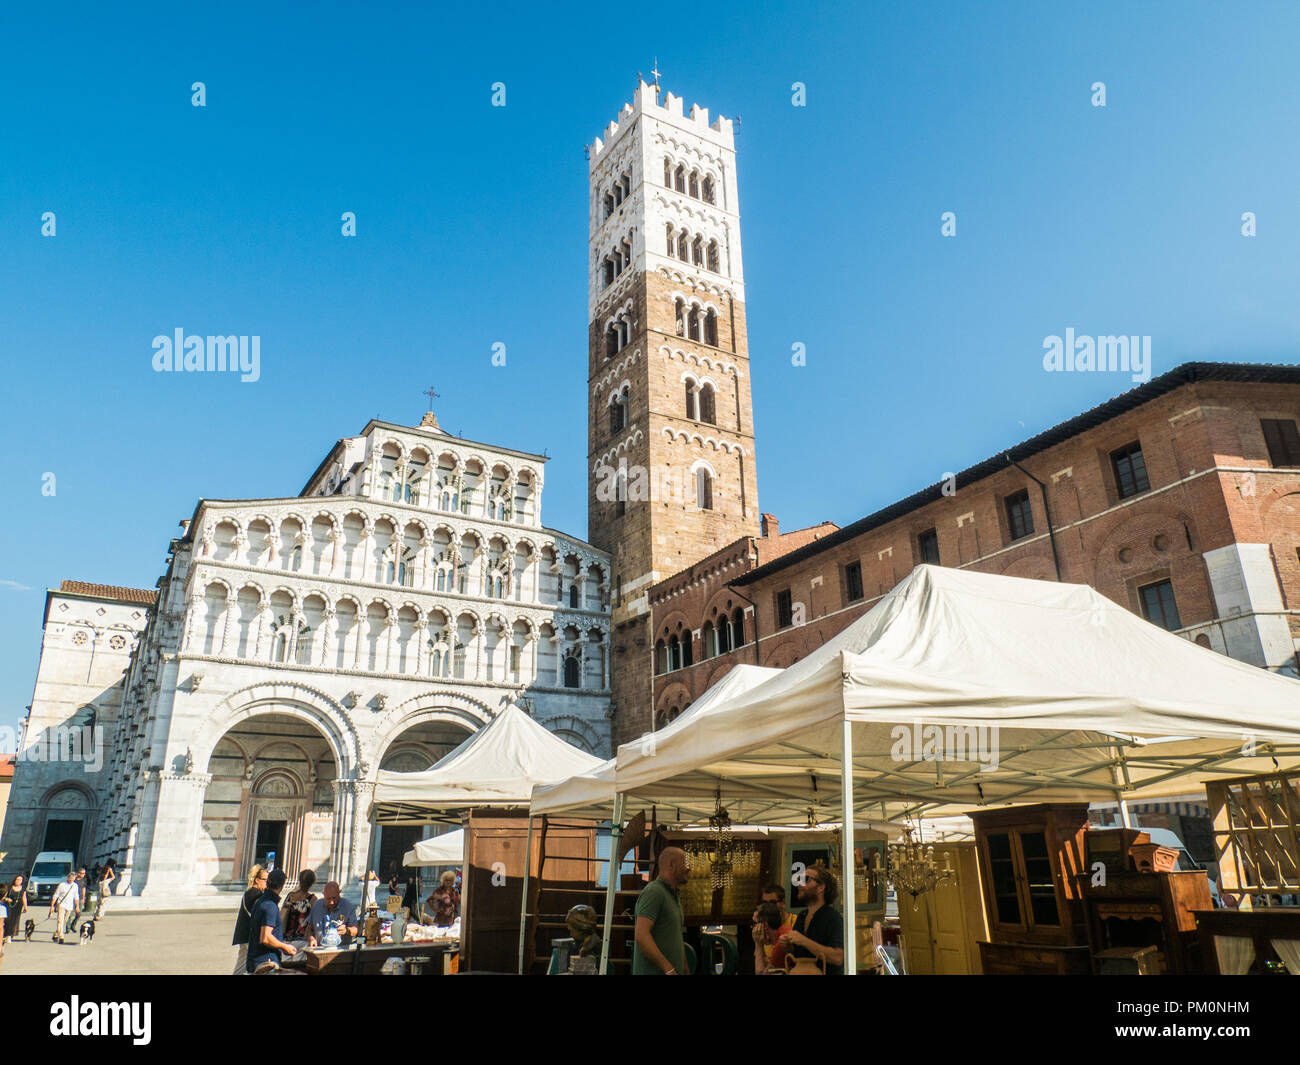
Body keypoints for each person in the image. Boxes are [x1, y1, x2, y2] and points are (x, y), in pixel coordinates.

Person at [632, 846, 690, 975]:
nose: (689, 868)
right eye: (685, 863)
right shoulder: (654, 892)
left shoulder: (673, 895)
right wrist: (668, 969)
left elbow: (676, 937)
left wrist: (685, 969)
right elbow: (641, 935)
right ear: (671, 865)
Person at [780, 866, 844, 975]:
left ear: (821, 888)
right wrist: (787, 945)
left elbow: (838, 958)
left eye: (806, 880)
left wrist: (803, 941)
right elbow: (797, 954)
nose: (800, 884)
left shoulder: (833, 918)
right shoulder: (802, 916)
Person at [247, 868, 296, 973]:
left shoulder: (260, 902)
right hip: (266, 962)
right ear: (282, 885)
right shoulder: (270, 906)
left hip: (256, 960)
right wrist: (284, 946)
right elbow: (266, 938)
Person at [231, 865, 268, 975]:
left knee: (241, 964)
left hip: (243, 935)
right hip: (250, 936)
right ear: (257, 880)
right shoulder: (257, 895)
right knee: (257, 965)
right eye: (265, 880)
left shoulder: (249, 892)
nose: (267, 883)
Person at [307, 881, 359, 947]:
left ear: (339, 894)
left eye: (334, 898)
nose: (331, 902)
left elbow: (355, 929)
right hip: (319, 949)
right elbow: (309, 929)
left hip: (340, 951)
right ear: (324, 894)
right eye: (328, 898)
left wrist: (347, 930)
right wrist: (311, 938)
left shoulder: (348, 907)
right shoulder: (317, 905)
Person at [281, 869, 317, 946]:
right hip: (302, 939)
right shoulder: (312, 899)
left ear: (299, 880)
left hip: (287, 938)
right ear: (312, 883)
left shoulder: (291, 896)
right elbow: (315, 920)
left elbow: (282, 914)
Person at [751, 901, 789, 974]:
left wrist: (758, 944)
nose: (752, 928)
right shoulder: (783, 933)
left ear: (764, 925)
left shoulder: (781, 942)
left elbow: (760, 973)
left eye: (754, 924)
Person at [50, 872, 80, 944]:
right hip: (61, 905)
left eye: (73, 878)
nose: (71, 879)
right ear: (68, 877)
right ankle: (61, 936)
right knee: (60, 920)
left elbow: (76, 896)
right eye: (70, 878)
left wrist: (77, 906)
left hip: (69, 906)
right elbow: (55, 895)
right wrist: (51, 906)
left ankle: (56, 933)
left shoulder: (75, 885)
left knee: (65, 921)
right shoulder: (62, 885)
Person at [1, 876, 27, 943]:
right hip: (8, 905)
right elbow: (3, 896)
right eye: (17, 879)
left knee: (14, 921)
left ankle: (9, 936)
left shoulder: (23, 889)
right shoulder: (9, 887)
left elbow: (24, 898)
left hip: (18, 906)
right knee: (8, 920)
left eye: (20, 880)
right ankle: (5, 934)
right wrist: (6, 899)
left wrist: (25, 907)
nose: (18, 881)